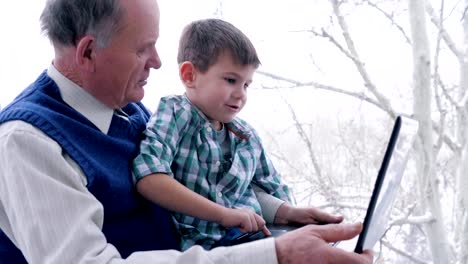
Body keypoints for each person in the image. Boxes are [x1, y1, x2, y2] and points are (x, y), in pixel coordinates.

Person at [0, 0, 373, 263]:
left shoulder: (128, 111)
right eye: (144, 48)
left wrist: (284, 217)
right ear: (88, 52)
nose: (158, 62)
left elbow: (207, 186)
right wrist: (276, 256)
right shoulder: (27, 143)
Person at [132, 18, 328, 250]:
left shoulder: (246, 137)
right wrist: (222, 214)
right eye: (231, 80)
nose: (240, 94)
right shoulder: (175, 114)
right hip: (206, 250)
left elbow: (259, 190)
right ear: (189, 75)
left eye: (246, 85)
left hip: (254, 241)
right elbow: (148, 177)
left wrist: (289, 212)